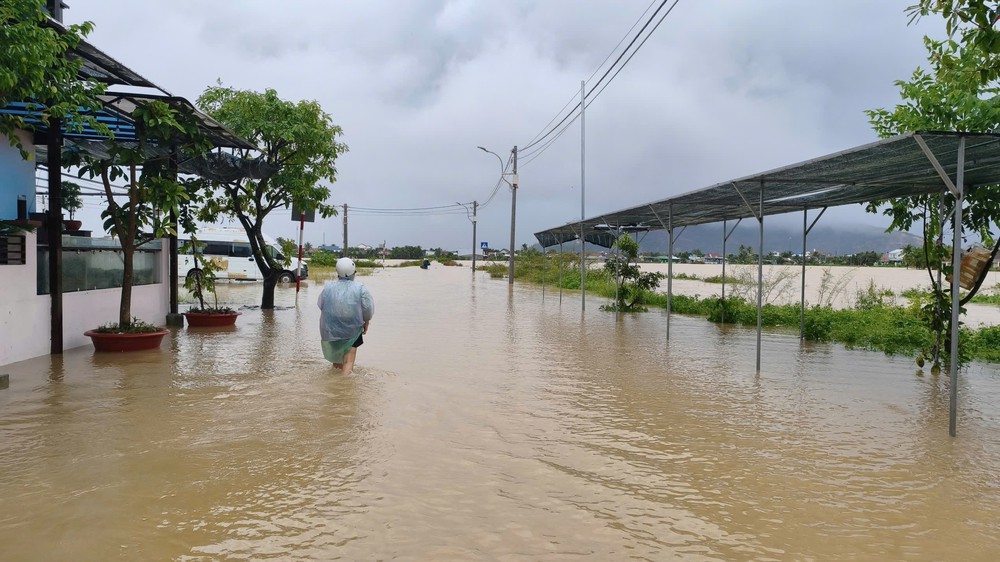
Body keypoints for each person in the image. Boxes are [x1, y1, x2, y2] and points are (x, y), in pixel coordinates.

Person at [318, 257, 375, 374]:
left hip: (332, 328)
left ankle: (334, 386)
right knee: (348, 360)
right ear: (354, 272)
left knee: (337, 358)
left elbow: (321, 305)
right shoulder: (360, 288)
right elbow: (367, 309)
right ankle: (344, 388)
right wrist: (366, 322)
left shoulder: (328, 288)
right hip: (352, 328)